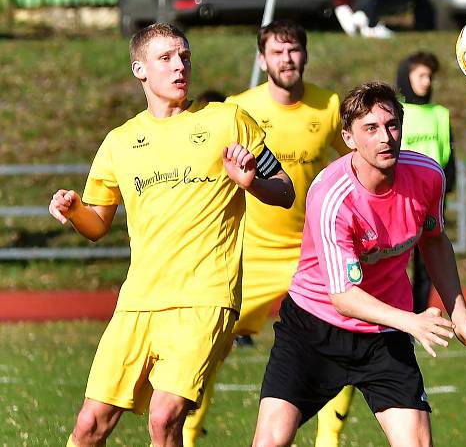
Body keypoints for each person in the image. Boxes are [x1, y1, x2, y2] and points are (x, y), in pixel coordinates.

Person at [48, 23, 294, 447]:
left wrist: (251, 182)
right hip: (138, 302)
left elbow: (286, 190)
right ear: (139, 69)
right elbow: (97, 226)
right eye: (166, 58)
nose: (180, 66)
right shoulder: (119, 142)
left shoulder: (229, 120)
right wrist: (74, 211)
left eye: (185, 56)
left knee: (164, 418)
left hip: (206, 296)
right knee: (90, 425)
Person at [252, 81, 466, 447]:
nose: (386, 137)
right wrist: (411, 321)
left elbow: (435, 241)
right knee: (270, 443)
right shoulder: (331, 196)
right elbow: (343, 297)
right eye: (371, 128)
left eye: (392, 124)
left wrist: (461, 319)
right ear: (348, 138)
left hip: (383, 336)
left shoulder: (429, 175)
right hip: (314, 328)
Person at [181, 19, 353, 447]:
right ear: (263, 59)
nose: (286, 58)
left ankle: (328, 441)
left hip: (314, 253)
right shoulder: (240, 107)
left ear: (305, 54)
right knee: (206, 348)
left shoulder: (328, 105)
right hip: (250, 255)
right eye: (277, 52)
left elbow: (354, 165)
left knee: (348, 333)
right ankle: (186, 435)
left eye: (293, 50)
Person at [396, 51, 456, 313]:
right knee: (396, 258)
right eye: (420, 75)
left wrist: (447, 185)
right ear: (406, 77)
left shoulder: (440, 114)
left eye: (429, 76)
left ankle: (418, 313)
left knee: (427, 261)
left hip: (432, 196)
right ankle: (396, 313)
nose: (426, 81)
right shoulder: (396, 112)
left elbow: (449, 153)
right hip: (402, 195)